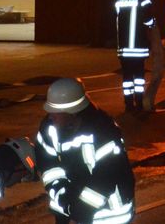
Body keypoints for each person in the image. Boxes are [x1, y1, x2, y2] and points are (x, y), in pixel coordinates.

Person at [35, 78, 135, 224]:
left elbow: (105, 178)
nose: (51, 115)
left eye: (56, 111)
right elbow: (49, 167)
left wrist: (78, 212)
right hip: (71, 208)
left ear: (72, 112)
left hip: (110, 214)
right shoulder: (48, 128)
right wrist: (62, 198)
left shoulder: (104, 131)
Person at [114, 0, 155, 113]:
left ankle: (128, 105)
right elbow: (149, 21)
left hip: (124, 48)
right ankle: (139, 102)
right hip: (139, 47)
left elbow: (117, 17)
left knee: (126, 77)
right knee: (139, 77)